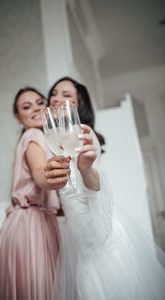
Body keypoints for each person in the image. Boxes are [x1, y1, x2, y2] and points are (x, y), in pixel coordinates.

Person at [47, 77, 165, 300]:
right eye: (54, 93)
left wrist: (85, 170)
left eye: (66, 95)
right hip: (76, 237)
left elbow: (95, 184)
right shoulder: (49, 137)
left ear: (78, 105)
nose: (57, 98)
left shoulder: (82, 132)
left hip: (99, 233)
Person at [0, 87, 71, 300]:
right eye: (27, 107)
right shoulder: (34, 135)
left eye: (39, 102)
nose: (36, 108)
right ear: (18, 116)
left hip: (30, 222)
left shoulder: (45, 140)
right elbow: (40, 175)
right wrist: (52, 175)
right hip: (32, 224)